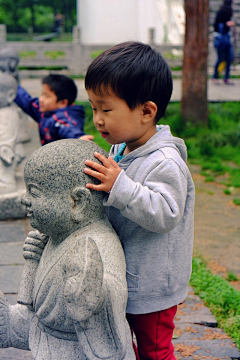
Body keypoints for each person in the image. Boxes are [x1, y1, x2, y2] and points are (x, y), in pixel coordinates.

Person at [83, 41, 195, 360]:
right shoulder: (124, 146)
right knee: (121, 341)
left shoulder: (166, 162)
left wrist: (120, 185)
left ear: (146, 111)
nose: (98, 120)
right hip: (126, 276)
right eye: (93, 108)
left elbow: (165, 213)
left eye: (106, 109)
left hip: (153, 287)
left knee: (154, 350)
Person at [0, 139, 135, 360]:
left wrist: (93, 293)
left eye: (34, 192)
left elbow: (110, 289)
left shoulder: (96, 244)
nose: (25, 200)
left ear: (78, 201)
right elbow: (38, 315)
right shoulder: (56, 237)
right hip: (49, 343)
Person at [14, 74, 93, 145]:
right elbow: (26, 101)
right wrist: (12, 86)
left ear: (62, 103)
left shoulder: (61, 118)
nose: (41, 99)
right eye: (42, 94)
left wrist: (78, 137)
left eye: (47, 96)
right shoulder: (45, 111)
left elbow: (67, 127)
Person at [212, 0, 235, 85]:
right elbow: (216, 26)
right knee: (220, 58)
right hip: (221, 40)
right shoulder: (221, 12)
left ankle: (226, 78)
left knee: (229, 58)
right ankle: (215, 77)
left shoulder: (229, 12)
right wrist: (227, 24)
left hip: (227, 39)